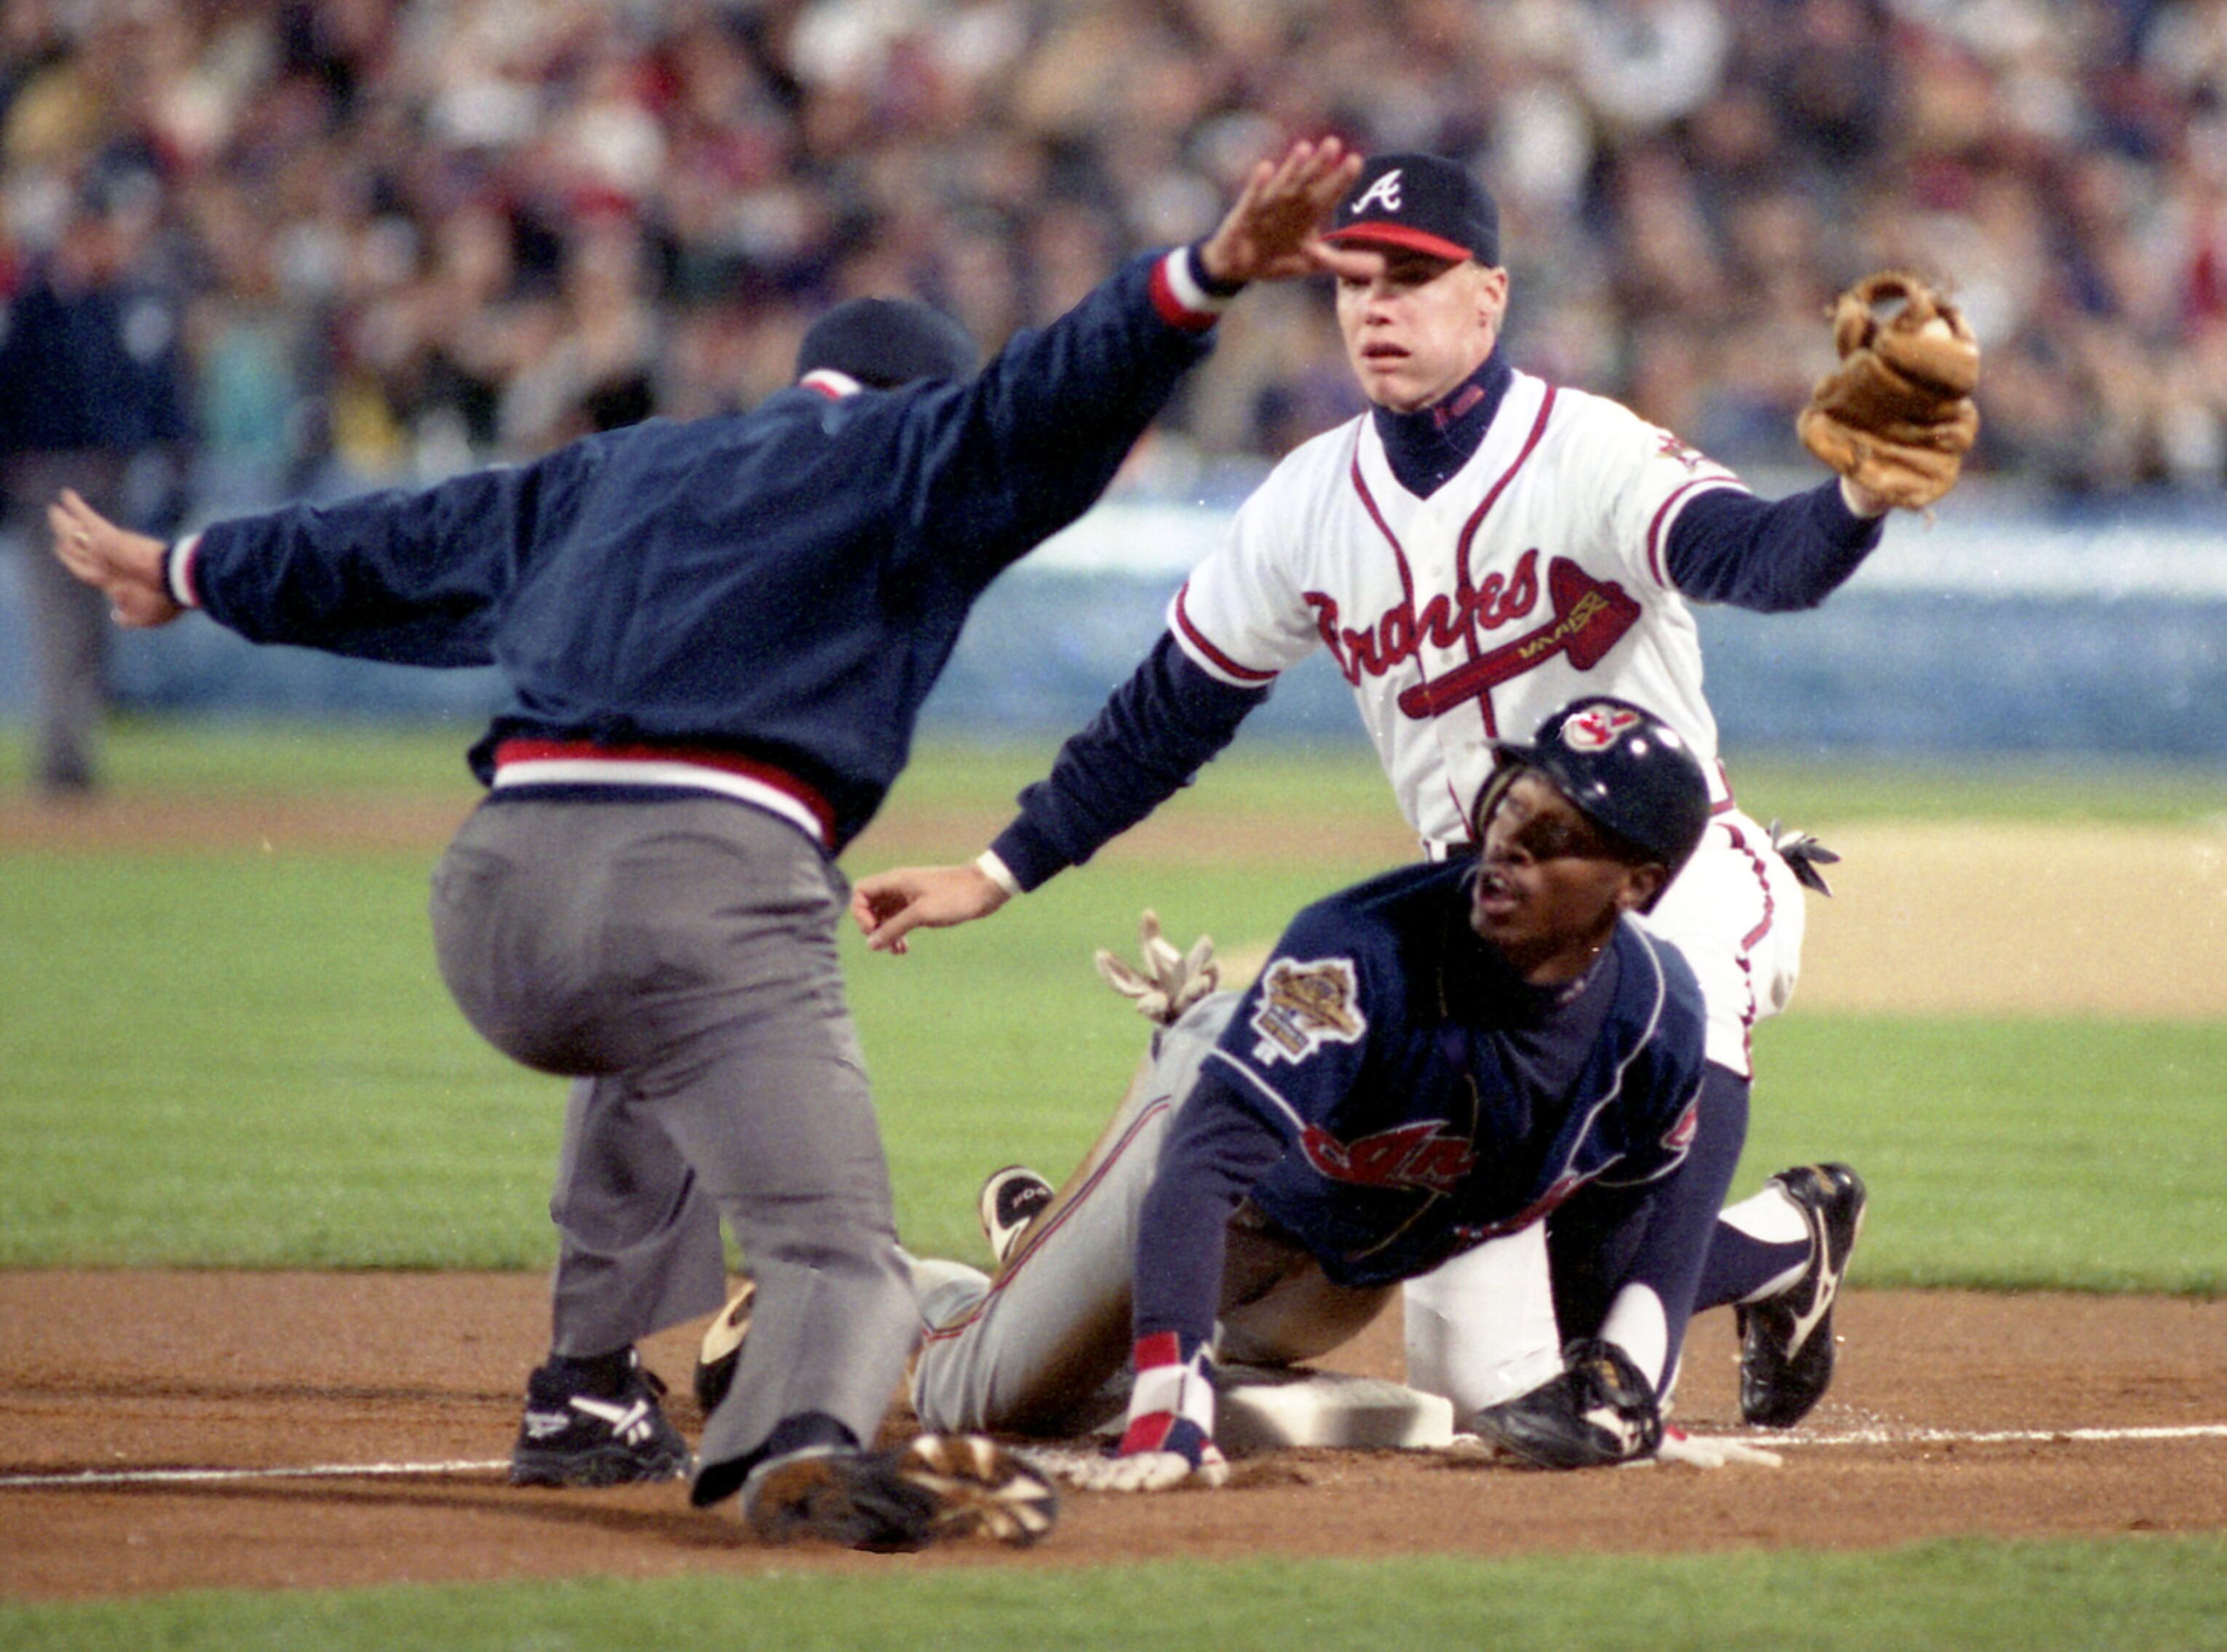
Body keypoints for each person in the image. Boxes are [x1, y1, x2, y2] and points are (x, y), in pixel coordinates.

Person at [46, 135, 1374, 1552]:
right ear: (919, 395)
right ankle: (795, 1454)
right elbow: (1049, 396)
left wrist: (185, 569)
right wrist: (1204, 275)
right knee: (838, 1263)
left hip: (493, 898)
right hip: (701, 884)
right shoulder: (912, 449)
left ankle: (586, 1392)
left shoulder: (623, 468)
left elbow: (401, 539)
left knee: (651, 1052)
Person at [853, 152, 1891, 1429]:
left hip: (1666, 869)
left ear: (1489, 299)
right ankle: (1789, 1240)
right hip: (1486, 929)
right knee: (1479, 1369)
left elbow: (1761, 557)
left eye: (1415, 278)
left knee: (1688, 986)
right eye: (1354, 282)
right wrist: (999, 867)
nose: (1377, 307)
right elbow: (1171, 709)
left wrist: (1856, 498)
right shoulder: (1309, 501)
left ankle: (1630, 1382)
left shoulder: (1588, 451)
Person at [894, 697, 1754, 1488]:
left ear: (1637, 882)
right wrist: (1168, 1401)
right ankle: (897, 1286)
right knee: (989, 1401)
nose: (1510, 841)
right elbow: (1202, 1163)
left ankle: (1059, 1251)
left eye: (1558, 829)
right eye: (1513, 801)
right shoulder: (1359, 953)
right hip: (1210, 1162)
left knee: (1183, 1357)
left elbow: (1612, 1214)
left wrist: (1615, 1396)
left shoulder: (1657, 1019)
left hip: (1340, 1273)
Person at [0, 171, 194, 796]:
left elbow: (157, 395)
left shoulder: (124, 303)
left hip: (106, 472)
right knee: (60, 616)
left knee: (95, 618)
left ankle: (72, 750)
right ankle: (61, 755)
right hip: (48, 474)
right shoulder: (38, 301)